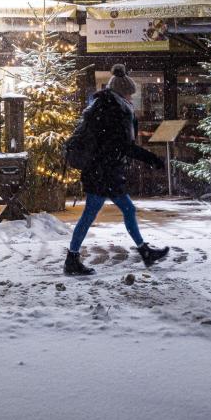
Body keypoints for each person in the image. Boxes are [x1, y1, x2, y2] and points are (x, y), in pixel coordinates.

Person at [64, 64, 170, 276]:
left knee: (118, 211)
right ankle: (72, 259)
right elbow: (123, 146)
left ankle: (143, 251)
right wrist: (152, 159)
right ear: (122, 93)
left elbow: (115, 145)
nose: (132, 99)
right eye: (130, 94)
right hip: (103, 172)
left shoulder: (104, 106)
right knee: (92, 214)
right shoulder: (114, 111)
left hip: (102, 170)